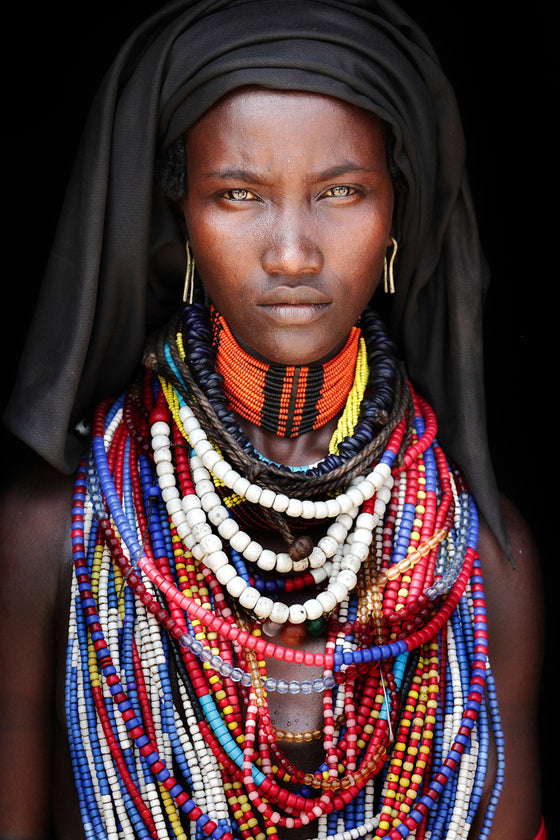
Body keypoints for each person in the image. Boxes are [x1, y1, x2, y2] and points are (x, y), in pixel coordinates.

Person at [0, 1, 546, 838]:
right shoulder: (59, 537)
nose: (292, 253)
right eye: (237, 194)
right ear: (181, 220)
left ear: (396, 213)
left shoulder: (473, 564)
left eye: (341, 191)